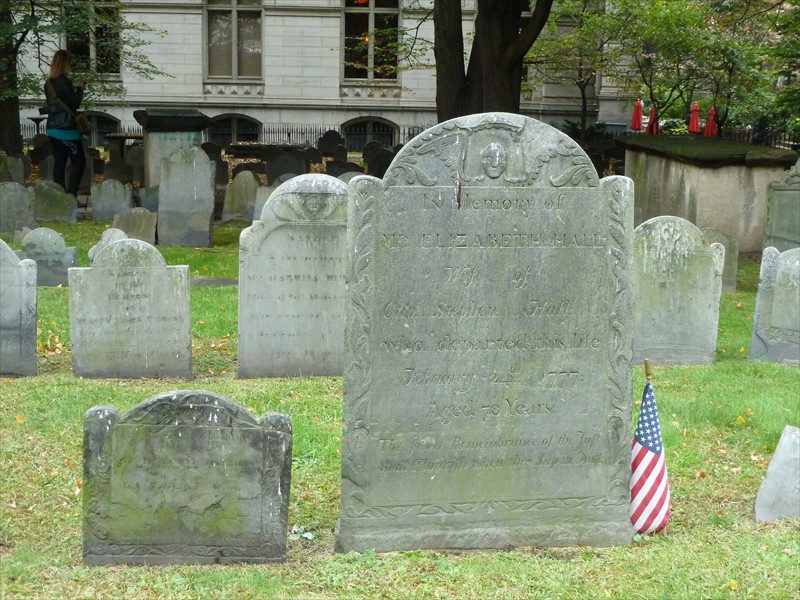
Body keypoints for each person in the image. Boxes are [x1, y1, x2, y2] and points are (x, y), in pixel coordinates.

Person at [43, 49, 86, 203]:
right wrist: (80, 89)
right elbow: (74, 103)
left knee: (60, 163)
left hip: (52, 128)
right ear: (64, 63)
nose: (71, 66)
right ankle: (71, 196)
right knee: (79, 162)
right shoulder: (64, 81)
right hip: (66, 128)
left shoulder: (48, 83)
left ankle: (60, 197)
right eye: (69, 63)